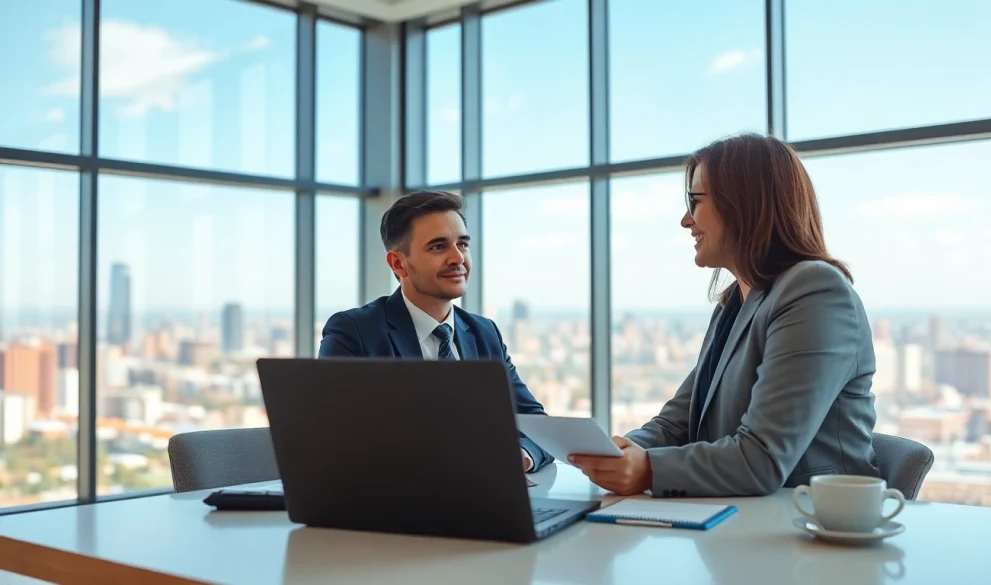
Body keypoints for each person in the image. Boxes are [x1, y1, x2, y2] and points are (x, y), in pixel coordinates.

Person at [569, 133, 880, 497]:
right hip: (739, 528)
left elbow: (761, 458)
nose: (686, 221)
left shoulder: (815, 291)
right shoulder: (735, 303)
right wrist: (620, 454)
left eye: (695, 202)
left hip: (813, 529)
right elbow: (676, 424)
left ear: (744, 205)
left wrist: (649, 470)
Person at [319, 190, 554, 473]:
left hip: (487, 500)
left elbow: (536, 423)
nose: (458, 258)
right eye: (438, 247)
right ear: (398, 263)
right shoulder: (354, 332)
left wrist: (522, 455)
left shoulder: (484, 332)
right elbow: (335, 442)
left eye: (463, 244)